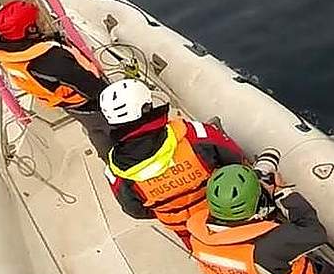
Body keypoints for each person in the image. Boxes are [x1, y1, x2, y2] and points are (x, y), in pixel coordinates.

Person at [102, 79, 246, 243]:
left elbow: (134, 210)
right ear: (147, 107)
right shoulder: (195, 134)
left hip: (188, 232)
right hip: (229, 213)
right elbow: (236, 159)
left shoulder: (114, 172)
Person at [186, 164, 327, 274]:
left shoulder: (197, 238)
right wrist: (282, 192)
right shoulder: (271, 244)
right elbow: (315, 232)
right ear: (257, 201)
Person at [0, 0, 105, 112]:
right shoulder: (52, 60)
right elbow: (91, 87)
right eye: (39, 19)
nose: (43, 20)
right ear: (31, 29)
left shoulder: (10, 55)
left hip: (63, 101)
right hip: (88, 102)